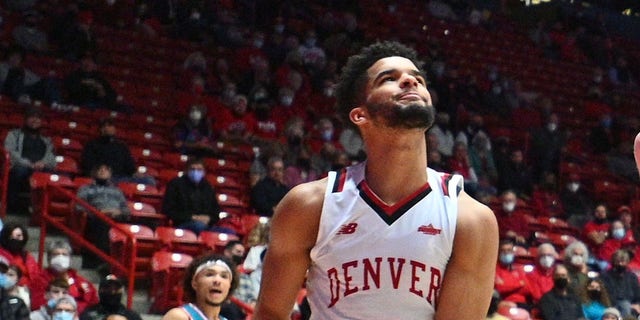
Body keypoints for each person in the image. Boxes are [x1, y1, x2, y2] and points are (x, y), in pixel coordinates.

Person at [253, 41, 498, 319]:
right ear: (360, 115)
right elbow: (270, 313)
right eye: (389, 79)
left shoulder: (472, 220)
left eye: (417, 79)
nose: (409, 80)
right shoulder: (309, 205)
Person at [4, 107, 57, 214]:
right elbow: (10, 152)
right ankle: (13, 207)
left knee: (55, 176)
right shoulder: (14, 134)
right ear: (26, 119)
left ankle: (44, 211)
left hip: (40, 168)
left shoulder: (46, 139)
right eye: (32, 117)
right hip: (21, 166)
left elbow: (51, 156)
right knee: (19, 172)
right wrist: (29, 164)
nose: (35, 120)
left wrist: (43, 163)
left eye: (38, 118)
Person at [76, 164, 130, 269]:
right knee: (103, 225)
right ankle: (104, 261)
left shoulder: (117, 191)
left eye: (106, 170)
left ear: (110, 173)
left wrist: (118, 212)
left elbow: (126, 209)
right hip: (97, 218)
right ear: (95, 172)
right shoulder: (85, 189)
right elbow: (79, 206)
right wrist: (98, 212)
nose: (102, 171)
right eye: (100, 169)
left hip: (116, 218)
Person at [161, 254, 238, 320]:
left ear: (230, 286)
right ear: (194, 283)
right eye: (209, 274)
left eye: (224, 276)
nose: (217, 280)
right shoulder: (179, 316)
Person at [30, 239, 98, 313]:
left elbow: (93, 301)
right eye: (56, 254)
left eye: (64, 254)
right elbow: (37, 305)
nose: (60, 257)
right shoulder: (39, 280)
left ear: (70, 259)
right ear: (49, 259)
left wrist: (77, 308)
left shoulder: (80, 281)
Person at [161, 157, 222, 235]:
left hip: (206, 225)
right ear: (186, 170)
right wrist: (193, 217)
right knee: (199, 226)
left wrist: (209, 218)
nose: (196, 172)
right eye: (192, 169)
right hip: (183, 224)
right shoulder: (175, 184)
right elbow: (168, 210)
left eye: (199, 169)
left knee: (229, 232)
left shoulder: (208, 187)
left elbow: (216, 212)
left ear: (204, 172)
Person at [0, 223, 42, 291]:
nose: (15, 239)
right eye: (11, 236)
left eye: (19, 236)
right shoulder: (1, 256)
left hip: (28, 291)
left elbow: (36, 277)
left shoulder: (27, 257)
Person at [600, 249, 640, 317]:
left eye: (623, 262)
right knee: (625, 305)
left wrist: (637, 304)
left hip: (631, 307)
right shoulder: (605, 276)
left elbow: (637, 295)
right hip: (612, 306)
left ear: (627, 262)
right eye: (618, 261)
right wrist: (629, 305)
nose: (620, 264)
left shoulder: (632, 276)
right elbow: (607, 295)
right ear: (613, 261)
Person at [495, 239, 533, 308]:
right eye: (503, 251)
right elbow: (500, 288)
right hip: (504, 303)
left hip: (522, 304)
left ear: (513, 252)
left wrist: (507, 285)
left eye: (509, 250)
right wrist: (519, 284)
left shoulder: (519, 269)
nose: (506, 253)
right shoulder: (495, 270)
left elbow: (527, 289)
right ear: (498, 253)